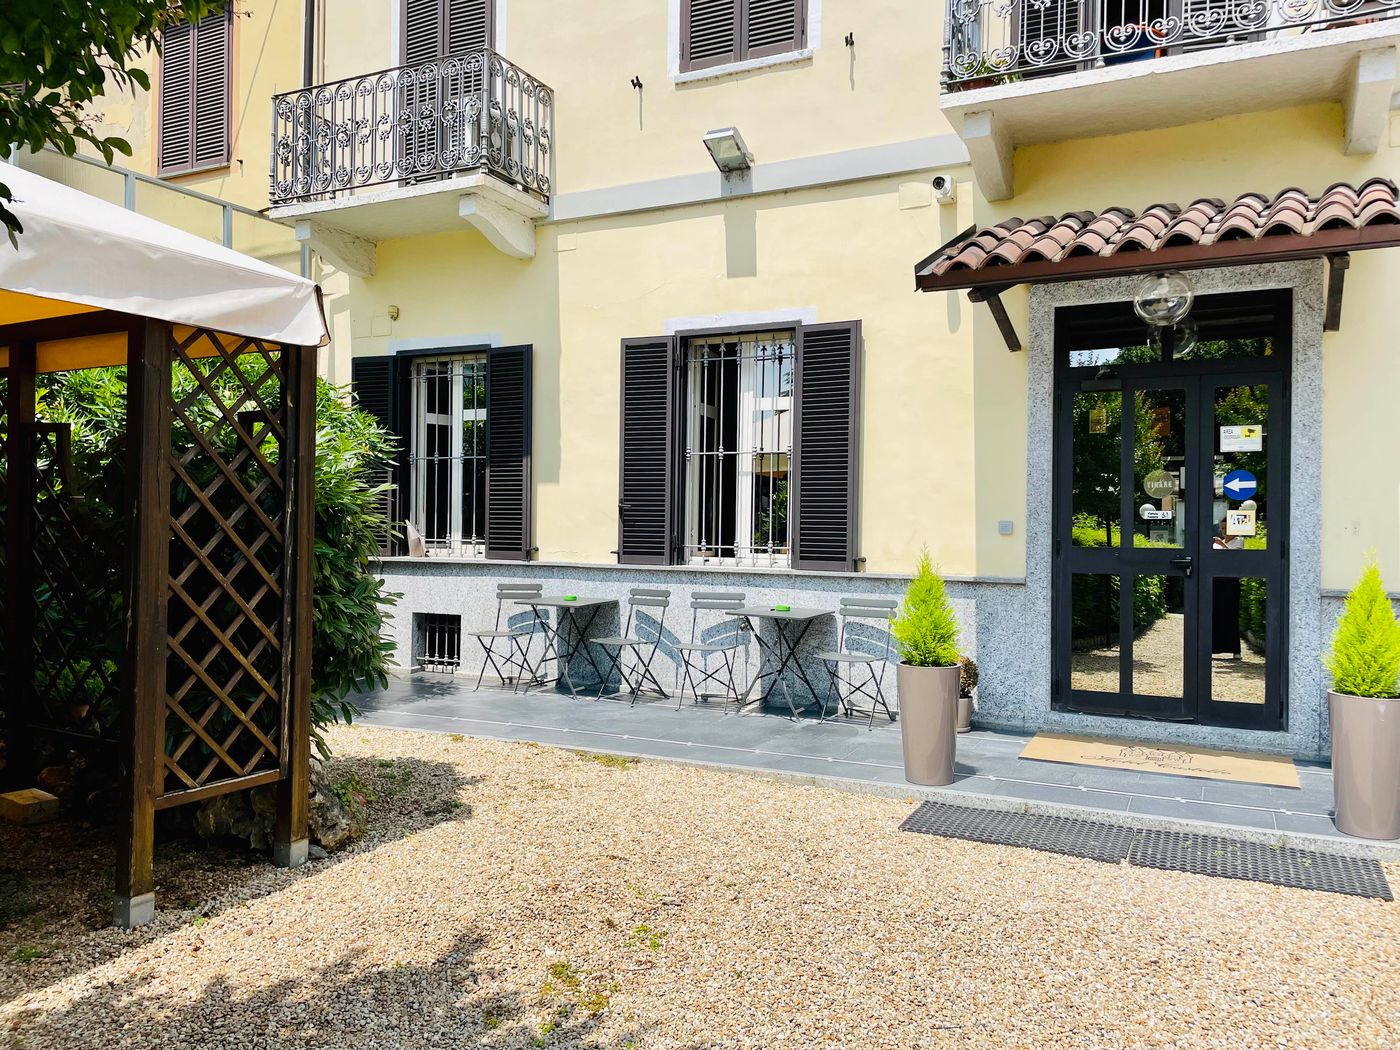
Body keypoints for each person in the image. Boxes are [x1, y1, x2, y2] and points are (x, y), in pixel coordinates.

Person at [1211, 517, 1242, 658]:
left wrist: (1222, 545)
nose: (1223, 531)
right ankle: (1214, 648)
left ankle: (1235, 650)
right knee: (1216, 615)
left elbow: (1234, 558)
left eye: (1226, 528)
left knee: (1231, 614)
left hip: (1231, 582)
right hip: (1217, 581)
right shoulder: (1217, 544)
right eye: (1222, 528)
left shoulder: (1238, 541)